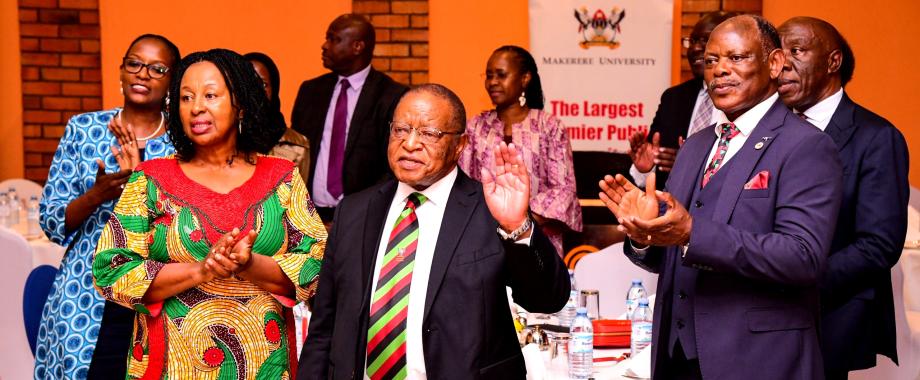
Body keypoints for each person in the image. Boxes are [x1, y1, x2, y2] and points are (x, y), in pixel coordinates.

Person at [599, 15, 844, 379]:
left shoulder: (806, 146)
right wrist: (644, 235)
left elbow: (802, 258)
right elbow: (667, 258)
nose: (720, 71)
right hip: (676, 357)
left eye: (737, 58)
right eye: (711, 62)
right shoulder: (696, 146)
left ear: (774, 63)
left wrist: (691, 233)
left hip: (758, 361)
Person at [298, 84, 570, 379]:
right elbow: (324, 328)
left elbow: (547, 300)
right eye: (400, 130)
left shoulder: (490, 210)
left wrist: (517, 226)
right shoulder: (354, 211)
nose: (410, 143)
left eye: (428, 134)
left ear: (460, 145)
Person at [92, 49, 326, 379]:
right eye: (185, 97)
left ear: (240, 104)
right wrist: (201, 270)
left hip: (266, 366)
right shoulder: (150, 179)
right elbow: (110, 269)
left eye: (210, 95)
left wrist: (249, 265)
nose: (196, 107)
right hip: (171, 364)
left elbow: (317, 261)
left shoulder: (282, 177)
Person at [36, 34, 180, 379]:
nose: (142, 74)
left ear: (173, 81)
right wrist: (96, 196)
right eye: (134, 63)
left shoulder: (182, 142)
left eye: (157, 69)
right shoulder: (83, 129)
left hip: (159, 294)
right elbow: (51, 222)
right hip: (84, 292)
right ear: (122, 71)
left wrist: (137, 184)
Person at [778, 17, 909, 379]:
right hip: (762, 320)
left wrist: (793, 280)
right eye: (779, 52)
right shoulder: (769, 133)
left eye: (797, 51)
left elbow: (878, 244)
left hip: (832, 312)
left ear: (833, 62)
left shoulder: (877, 137)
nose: (783, 62)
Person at [459, 45, 581, 256]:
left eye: (501, 75)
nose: (493, 82)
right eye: (489, 76)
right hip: (483, 242)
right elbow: (463, 185)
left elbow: (564, 190)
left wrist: (516, 219)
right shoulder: (475, 127)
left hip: (538, 243)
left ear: (525, 78)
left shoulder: (549, 126)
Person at [290, 14, 408, 222]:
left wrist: (364, 209)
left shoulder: (391, 96)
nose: (324, 46)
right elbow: (295, 150)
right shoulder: (311, 91)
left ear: (357, 47)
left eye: (334, 39)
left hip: (363, 216)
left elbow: (393, 164)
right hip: (308, 215)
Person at [628, 11, 737, 190]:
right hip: (668, 210)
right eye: (692, 41)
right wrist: (645, 169)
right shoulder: (673, 98)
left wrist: (689, 166)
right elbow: (652, 165)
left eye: (705, 40)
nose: (694, 49)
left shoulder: (746, 101)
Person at [244, 52, 312, 182]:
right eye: (248, 83)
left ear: (274, 89)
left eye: (263, 84)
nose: (256, 90)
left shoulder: (297, 145)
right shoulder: (219, 138)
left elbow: (295, 200)